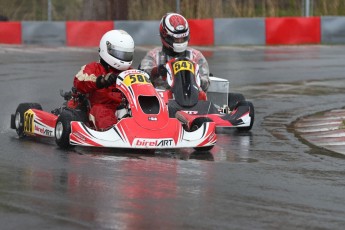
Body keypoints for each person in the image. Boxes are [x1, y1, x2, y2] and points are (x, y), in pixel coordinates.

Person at [73, 29, 135, 130]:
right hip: (101, 107)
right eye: (120, 54)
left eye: (126, 54)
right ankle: (111, 131)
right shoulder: (94, 68)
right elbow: (79, 81)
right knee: (101, 111)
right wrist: (101, 81)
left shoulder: (130, 72)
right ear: (107, 49)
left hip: (124, 108)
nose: (123, 57)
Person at [140, 12, 210, 92]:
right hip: (162, 100)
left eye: (182, 38)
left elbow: (205, 84)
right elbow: (143, 77)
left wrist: (194, 78)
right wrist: (157, 71)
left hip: (191, 98)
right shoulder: (153, 55)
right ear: (165, 36)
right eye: (176, 39)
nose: (180, 41)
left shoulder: (196, 56)